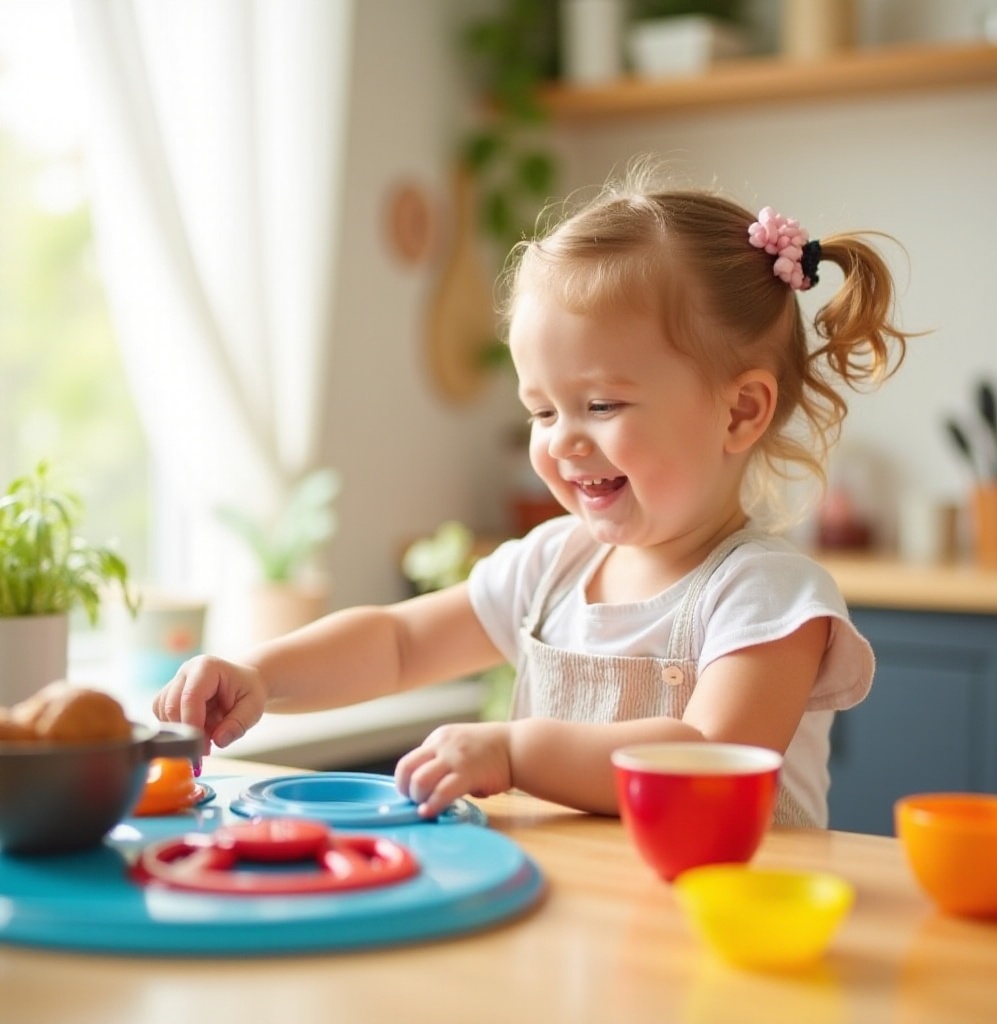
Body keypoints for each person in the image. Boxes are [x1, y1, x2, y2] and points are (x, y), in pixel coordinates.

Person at [153, 164, 912, 827]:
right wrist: (260, 675)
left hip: (726, 933)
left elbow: (710, 755)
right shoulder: (551, 566)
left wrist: (519, 751)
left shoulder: (769, 597)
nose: (562, 442)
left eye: (602, 406)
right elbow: (398, 642)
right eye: (542, 411)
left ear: (740, 411)